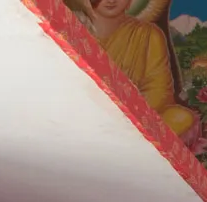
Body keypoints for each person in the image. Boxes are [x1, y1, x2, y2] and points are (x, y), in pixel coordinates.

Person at [78, 0, 199, 136]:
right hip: (88, 115)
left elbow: (159, 93)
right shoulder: (74, 32)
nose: (111, 0)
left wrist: (127, 109)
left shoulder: (148, 35)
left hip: (135, 119)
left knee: (180, 117)